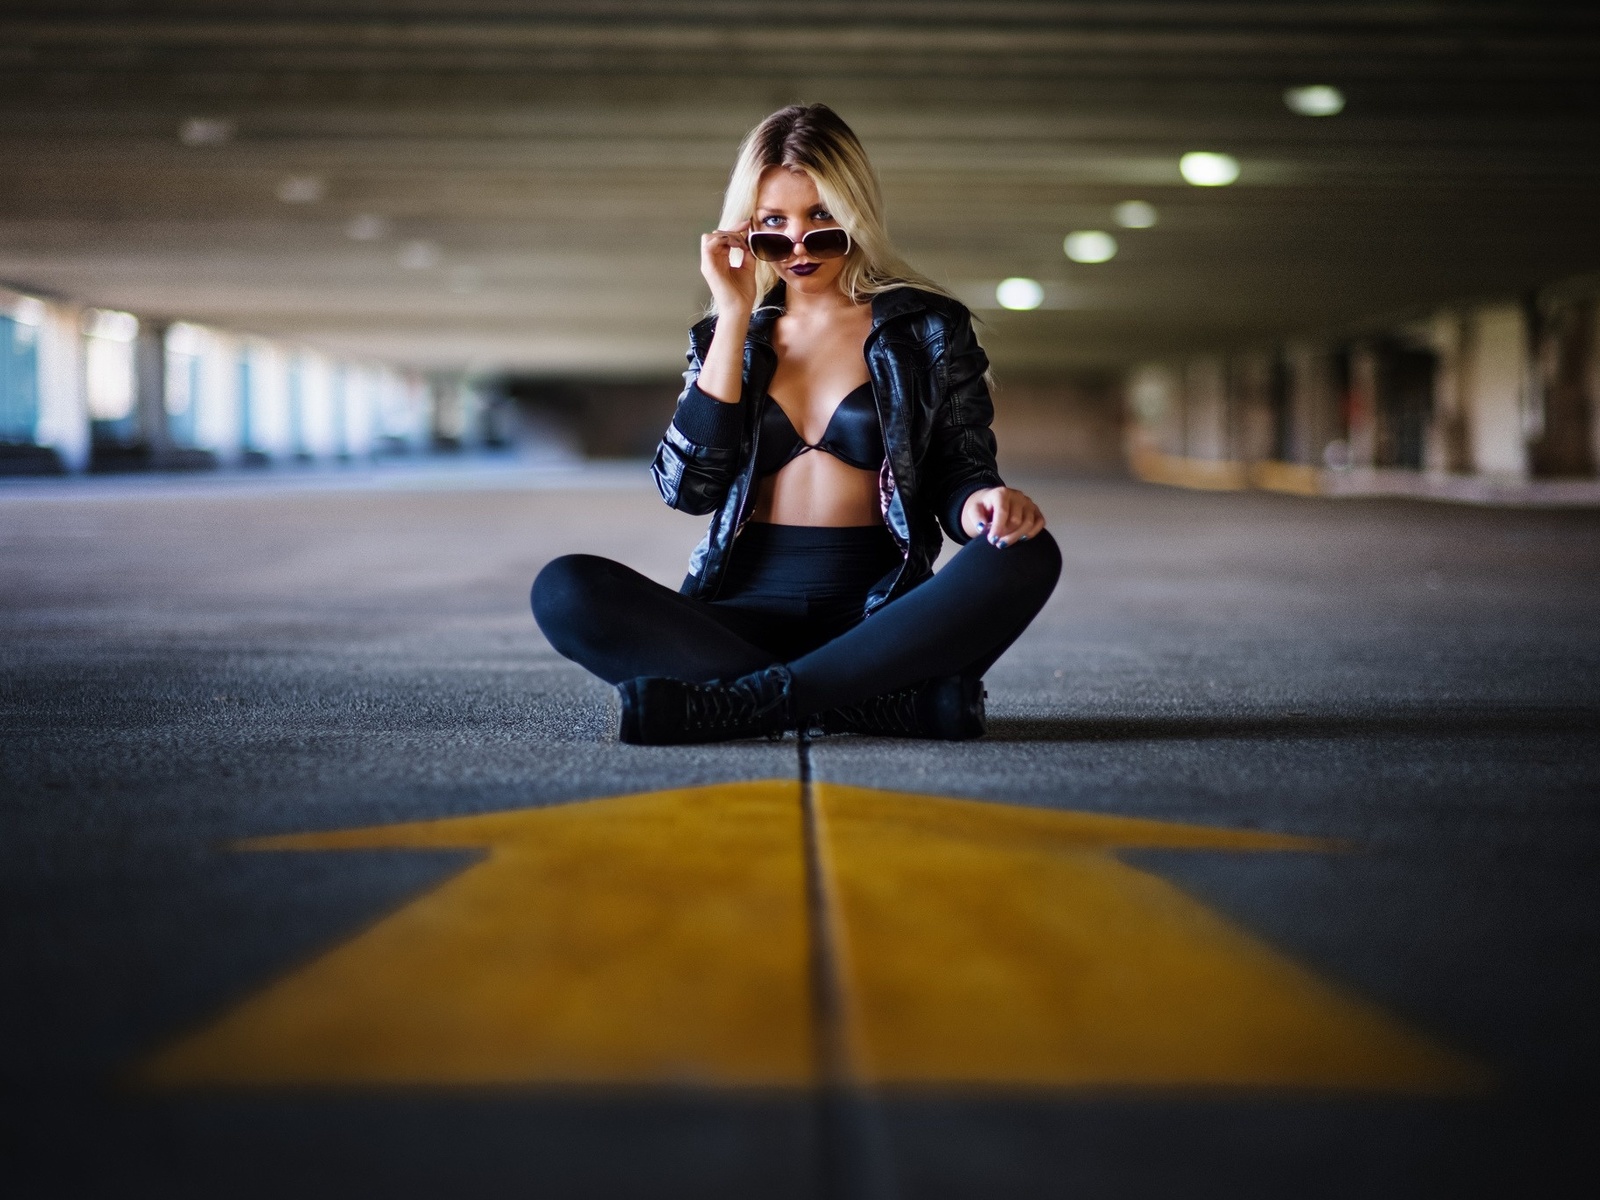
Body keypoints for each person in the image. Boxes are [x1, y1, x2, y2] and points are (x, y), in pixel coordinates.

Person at [532, 103, 1060, 745]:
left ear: (856, 215)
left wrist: (985, 505)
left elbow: (961, 469)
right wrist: (732, 316)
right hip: (737, 615)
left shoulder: (927, 328)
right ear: (745, 232)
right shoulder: (724, 338)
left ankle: (752, 702)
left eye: (823, 222)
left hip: (885, 619)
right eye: (773, 227)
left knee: (1027, 552)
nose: (800, 248)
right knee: (564, 589)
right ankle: (867, 704)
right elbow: (688, 489)